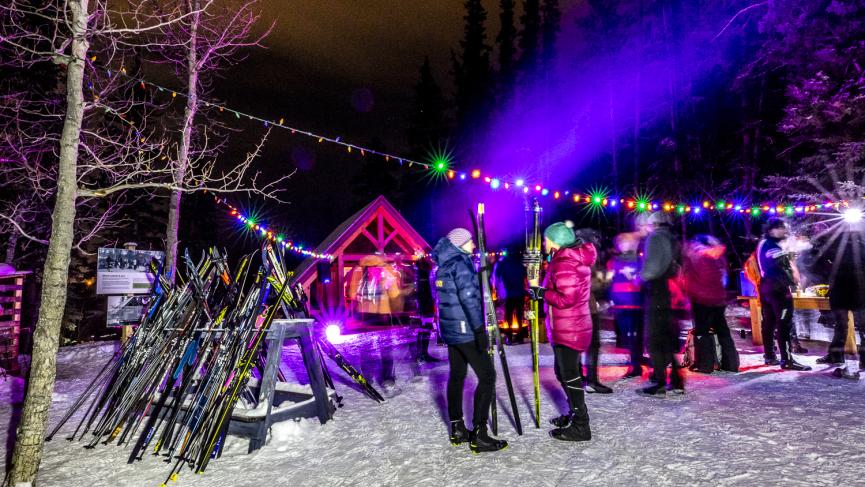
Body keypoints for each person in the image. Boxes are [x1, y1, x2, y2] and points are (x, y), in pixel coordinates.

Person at [431, 227, 507, 453]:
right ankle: (480, 434)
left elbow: (442, 299)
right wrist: (478, 329)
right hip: (465, 329)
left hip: (451, 329)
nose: (473, 245)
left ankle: (457, 428)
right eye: (470, 242)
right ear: (459, 244)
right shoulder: (460, 263)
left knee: (457, 375)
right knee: (487, 375)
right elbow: (468, 298)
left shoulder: (442, 265)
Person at [528, 221, 596, 441]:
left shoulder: (565, 262)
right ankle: (574, 414)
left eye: (546, 239)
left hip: (570, 327)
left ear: (554, 241)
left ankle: (580, 425)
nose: (544, 243)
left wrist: (541, 293)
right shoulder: (566, 258)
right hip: (570, 325)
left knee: (569, 375)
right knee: (564, 373)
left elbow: (567, 298)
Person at [637, 211, 684, 396]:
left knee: (655, 339)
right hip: (671, 293)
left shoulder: (656, 238)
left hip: (658, 291)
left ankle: (660, 380)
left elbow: (653, 266)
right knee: (668, 338)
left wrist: (641, 277)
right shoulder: (673, 238)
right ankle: (676, 379)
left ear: (654, 224)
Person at [756, 218, 811, 370]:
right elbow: (777, 259)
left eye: (785, 228)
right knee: (783, 323)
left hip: (769, 287)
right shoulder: (769, 245)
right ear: (771, 230)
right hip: (777, 289)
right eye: (781, 228)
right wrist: (790, 253)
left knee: (770, 322)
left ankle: (769, 355)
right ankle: (786, 360)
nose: (785, 231)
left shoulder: (769, 243)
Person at [682, 235, 739, 373]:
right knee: (722, 330)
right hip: (718, 298)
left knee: (702, 331)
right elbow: (723, 277)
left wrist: (690, 291)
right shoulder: (719, 256)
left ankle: (704, 365)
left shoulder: (699, 257)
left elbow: (694, 278)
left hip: (702, 299)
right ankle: (731, 364)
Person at [821, 229, 865, 379]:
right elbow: (822, 264)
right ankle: (836, 355)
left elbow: (822, 265)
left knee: (852, 326)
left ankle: (840, 355)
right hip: (846, 291)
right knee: (843, 326)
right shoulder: (835, 248)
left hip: (853, 292)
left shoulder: (858, 247)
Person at [609, 232, 646, 378]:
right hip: (620, 304)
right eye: (621, 243)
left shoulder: (639, 260)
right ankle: (634, 363)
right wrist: (611, 297)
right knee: (626, 337)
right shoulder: (615, 261)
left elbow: (643, 280)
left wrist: (631, 277)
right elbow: (612, 282)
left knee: (635, 336)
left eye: (626, 242)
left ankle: (636, 365)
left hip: (635, 303)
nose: (623, 245)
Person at [585, 231, 613, 394]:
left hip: (581, 308)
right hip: (588, 308)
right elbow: (590, 284)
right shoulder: (588, 259)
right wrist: (604, 281)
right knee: (593, 344)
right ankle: (591, 380)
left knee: (583, 345)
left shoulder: (576, 257)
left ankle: (584, 378)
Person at [492, 250, 528, 340]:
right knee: (519, 315)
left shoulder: (503, 264)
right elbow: (525, 276)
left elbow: (497, 276)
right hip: (520, 293)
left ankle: (509, 337)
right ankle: (520, 337)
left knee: (508, 316)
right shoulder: (520, 263)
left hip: (509, 294)